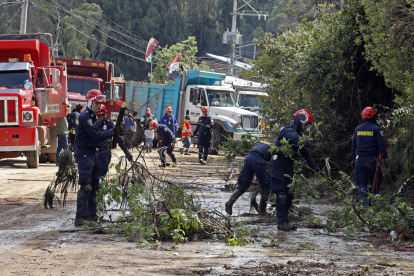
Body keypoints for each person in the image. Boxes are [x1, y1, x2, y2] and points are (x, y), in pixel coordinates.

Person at [73, 89, 118, 227]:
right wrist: (112, 132)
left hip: (92, 153)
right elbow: (96, 135)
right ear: (90, 101)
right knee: (85, 185)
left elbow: (98, 135)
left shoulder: (92, 116)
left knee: (94, 185)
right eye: (97, 103)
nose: (99, 105)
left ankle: (92, 214)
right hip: (85, 153)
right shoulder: (86, 117)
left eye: (100, 103)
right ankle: (81, 217)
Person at [271, 109, 320, 231]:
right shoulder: (287, 131)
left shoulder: (300, 137)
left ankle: (285, 221)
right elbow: (297, 139)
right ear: (299, 121)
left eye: (308, 126)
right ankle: (281, 222)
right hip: (278, 165)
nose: (305, 127)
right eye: (305, 124)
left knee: (289, 195)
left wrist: (316, 169)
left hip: (288, 166)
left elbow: (305, 154)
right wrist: (309, 143)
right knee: (281, 194)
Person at [352, 107, 388, 208]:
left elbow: (353, 146)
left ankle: (364, 205)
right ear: (373, 116)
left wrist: (353, 159)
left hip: (360, 160)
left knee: (361, 183)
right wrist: (385, 157)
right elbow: (381, 145)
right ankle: (373, 205)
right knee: (375, 183)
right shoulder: (376, 129)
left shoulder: (357, 129)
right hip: (372, 161)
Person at [225, 141, 273, 216]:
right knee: (266, 185)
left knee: (244, 184)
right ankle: (262, 211)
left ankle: (230, 202)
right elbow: (273, 165)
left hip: (248, 158)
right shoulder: (276, 148)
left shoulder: (264, 143)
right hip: (258, 160)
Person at [96, 104, 132, 178]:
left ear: (104, 115)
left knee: (102, 174)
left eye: (100, 116)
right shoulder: (91, 124)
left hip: (104, 152)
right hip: (93, 152)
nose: (98, 118)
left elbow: (119, 139)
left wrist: (127, 152)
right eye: (97, 116)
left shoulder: (109, 124)